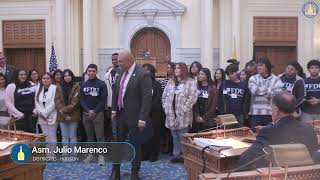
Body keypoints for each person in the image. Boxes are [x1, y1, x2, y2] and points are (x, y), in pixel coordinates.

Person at [239, 91, 319, 170]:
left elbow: (245, 160)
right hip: (304, 175)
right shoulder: (309, 129)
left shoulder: (269, 131)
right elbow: (314, 157)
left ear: (276, 110)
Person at [110, 50, 153, 180]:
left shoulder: (142, 74)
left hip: (136, 117)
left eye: (121, 62)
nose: (118, 64)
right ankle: (115, 171)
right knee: (118, 144)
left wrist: (142, 118)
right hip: (121, 115)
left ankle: (135, 172)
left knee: (135, 145)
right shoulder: (120, 72)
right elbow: (116, 91)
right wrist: (113, 110)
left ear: (129, 60)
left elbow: (147, 98)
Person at [162, 62, 198, 163]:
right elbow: (164, 97)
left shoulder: (190, 82)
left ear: (183, 70)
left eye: (178, 68)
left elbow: (192, 98)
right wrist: (166, 108)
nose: (176, 70)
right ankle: (176, 155)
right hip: (171, 114)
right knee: (174, 136)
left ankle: (184, 156)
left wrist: (184, 109)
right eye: (175, 68)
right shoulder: (171, 82)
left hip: (183, 115)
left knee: (183, 136)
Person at [80, 64, 107, 166]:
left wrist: (95, 111)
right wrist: (88, 110)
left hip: (98, 113)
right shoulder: (83, 84)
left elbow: (103, 100)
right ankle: (91, 154)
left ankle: (101, 156)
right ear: (87, 72)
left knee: (100, 136)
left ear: (96, 72)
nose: (91, 73)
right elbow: (81, 100)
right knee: (89, 136)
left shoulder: (102, 84)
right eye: (89, 71)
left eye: (93, 71)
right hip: (86, 113)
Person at [248, 58, 283, 131]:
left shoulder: (276, 79)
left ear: (267, 67)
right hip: (255, 113)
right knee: (255, 136)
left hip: (270, 113)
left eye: (261, 65)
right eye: (257, 66)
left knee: (270, 136)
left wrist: (260, 90)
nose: (258, 67)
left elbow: (277, 95)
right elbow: (254, 91)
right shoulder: (253, 78)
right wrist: (270, 89)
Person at [141, 63, 164, 162]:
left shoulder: (157, 84)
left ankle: (154, 154)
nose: (145, 72)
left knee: (155, 134)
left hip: (154, 114)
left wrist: (148, 109)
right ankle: (144, 153)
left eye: (147, 70)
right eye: (143, 70)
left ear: (152, 72)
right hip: (142, 114)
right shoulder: (140, 84)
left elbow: (157, 99)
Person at [55, 69, 80, 145]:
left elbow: (75, 103)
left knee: (73, 136)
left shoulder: (77, 86)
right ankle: (65, 155)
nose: (67, 77)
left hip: (73, 114)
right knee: (64, 137)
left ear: (72, 76)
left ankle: (73, 156)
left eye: (69, 75)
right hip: (62, 116)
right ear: (63, 77)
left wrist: (64, 111)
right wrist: (65, 114)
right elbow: (57, 100)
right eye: (65, 76)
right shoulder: (58, 87)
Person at [191, 68, 218, 132]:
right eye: (199, 74)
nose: (199, 75)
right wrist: (196, 116)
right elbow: (193, 102)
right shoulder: (196, 87)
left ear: (207, 76)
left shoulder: (212, 88)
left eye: (202, 74)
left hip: (208, 118)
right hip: (196, 117)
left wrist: (204, 118)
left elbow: (213, 105)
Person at [34, 73, 58, 143]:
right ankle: (48, 154)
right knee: (46, 137)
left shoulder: (55, 88)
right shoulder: (39, 88)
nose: (45, 80)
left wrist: (45, 113)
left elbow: (55, 102)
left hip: (52, 115)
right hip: (41, 116)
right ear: (41, 80)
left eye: (48, 78)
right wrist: (41, 113)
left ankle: (52, 154)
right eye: (44, 78)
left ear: (51, 79)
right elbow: (36, 101)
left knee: (52, 137)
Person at [104, 53, 120, 140]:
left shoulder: (124, 72)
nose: (114, 61)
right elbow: (106, 90)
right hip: (111, 104)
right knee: (113, 127)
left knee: (122, 128)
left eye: (116, 59)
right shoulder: (108, 74)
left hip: (122, 105)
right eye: (113, 60)